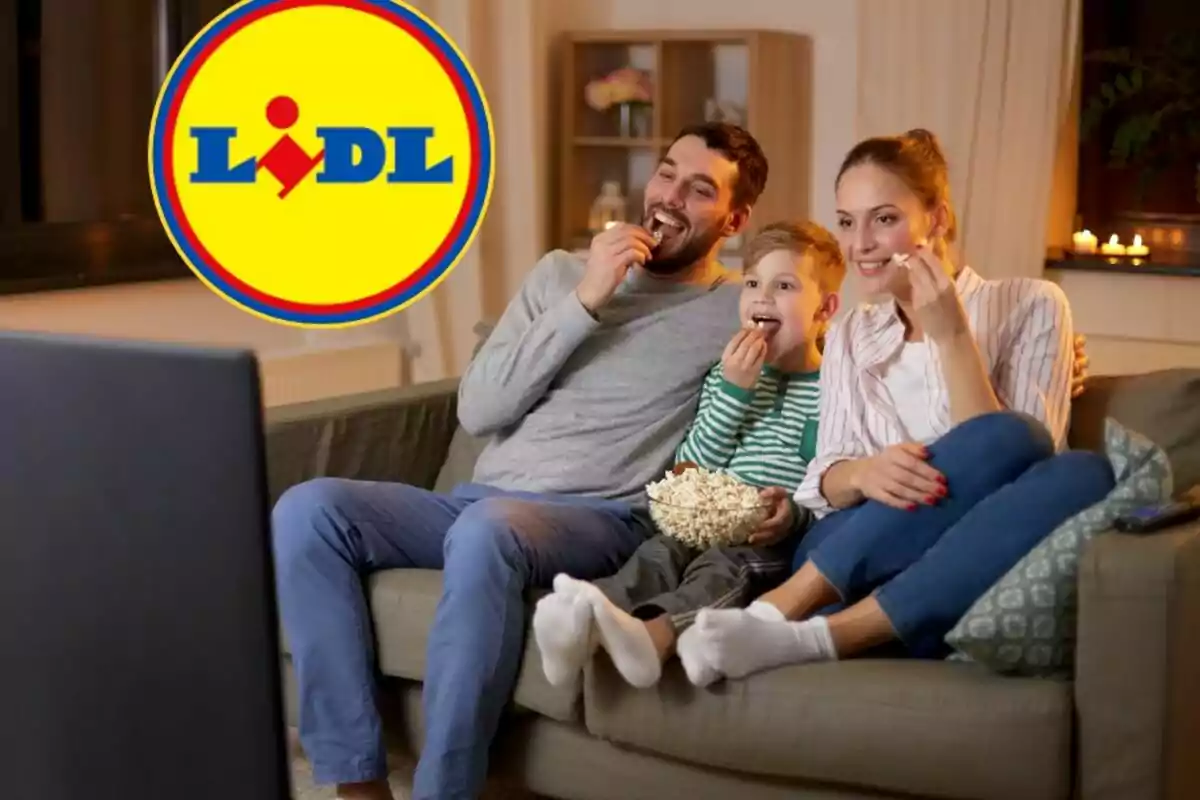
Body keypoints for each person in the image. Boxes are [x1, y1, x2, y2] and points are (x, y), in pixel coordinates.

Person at [270, 122, 769, 800]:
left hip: (601, 519)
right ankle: (357, 782)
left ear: (734, 219)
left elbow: (811, 377)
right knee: (309, 509)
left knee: (487, 531)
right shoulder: (563, 276)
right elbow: (480, 409)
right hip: (481, 501)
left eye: (700, 189)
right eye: (667, 173)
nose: (671, 196)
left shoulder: (736, 311)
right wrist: (587, 299)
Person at [674, 129, 1116, 686]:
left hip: (969, 544)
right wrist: (864, 471)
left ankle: (815, 633)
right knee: (1015, 439)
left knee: (1079, 470)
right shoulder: (854, 330)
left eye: (883, 219)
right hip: (853, 543)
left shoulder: (1032, 305)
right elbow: (824, 479)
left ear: (938, 218)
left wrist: (953, 336)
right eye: (846, 221)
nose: (859, 243)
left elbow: (1023, 471)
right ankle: (787, 606)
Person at [532, 220, 845, 690]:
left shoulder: (836, 393)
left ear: (825, 309)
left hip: (766, 542)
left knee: (723, 569)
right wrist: (735, 394)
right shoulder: (728, 376)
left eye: (784, 286)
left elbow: (830, 487)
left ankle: (653, 636)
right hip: (703, 519)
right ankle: (581, 620)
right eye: (754, 283)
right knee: (657, 554)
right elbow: (692, 466)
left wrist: (792, 518)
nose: (762, 298)